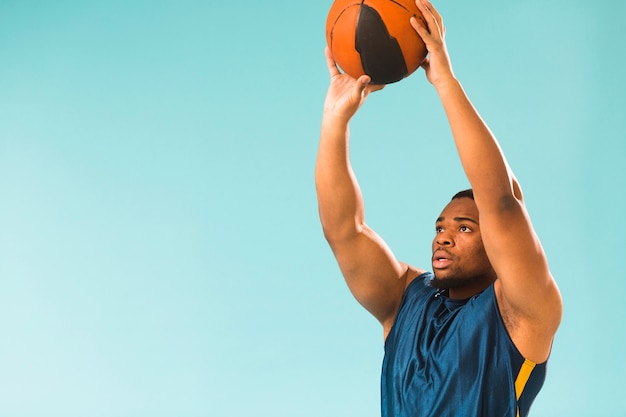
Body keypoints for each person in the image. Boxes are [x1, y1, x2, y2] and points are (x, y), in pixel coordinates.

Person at [314, 1, 562, 416]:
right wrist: (335, 121)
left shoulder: (524, 311)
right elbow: (345, 230)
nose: (443, 235)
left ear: (498, 243)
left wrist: (444, 81)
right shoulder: (404, 300)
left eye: (465, 228)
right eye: (441, 225)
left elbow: (501, 200)